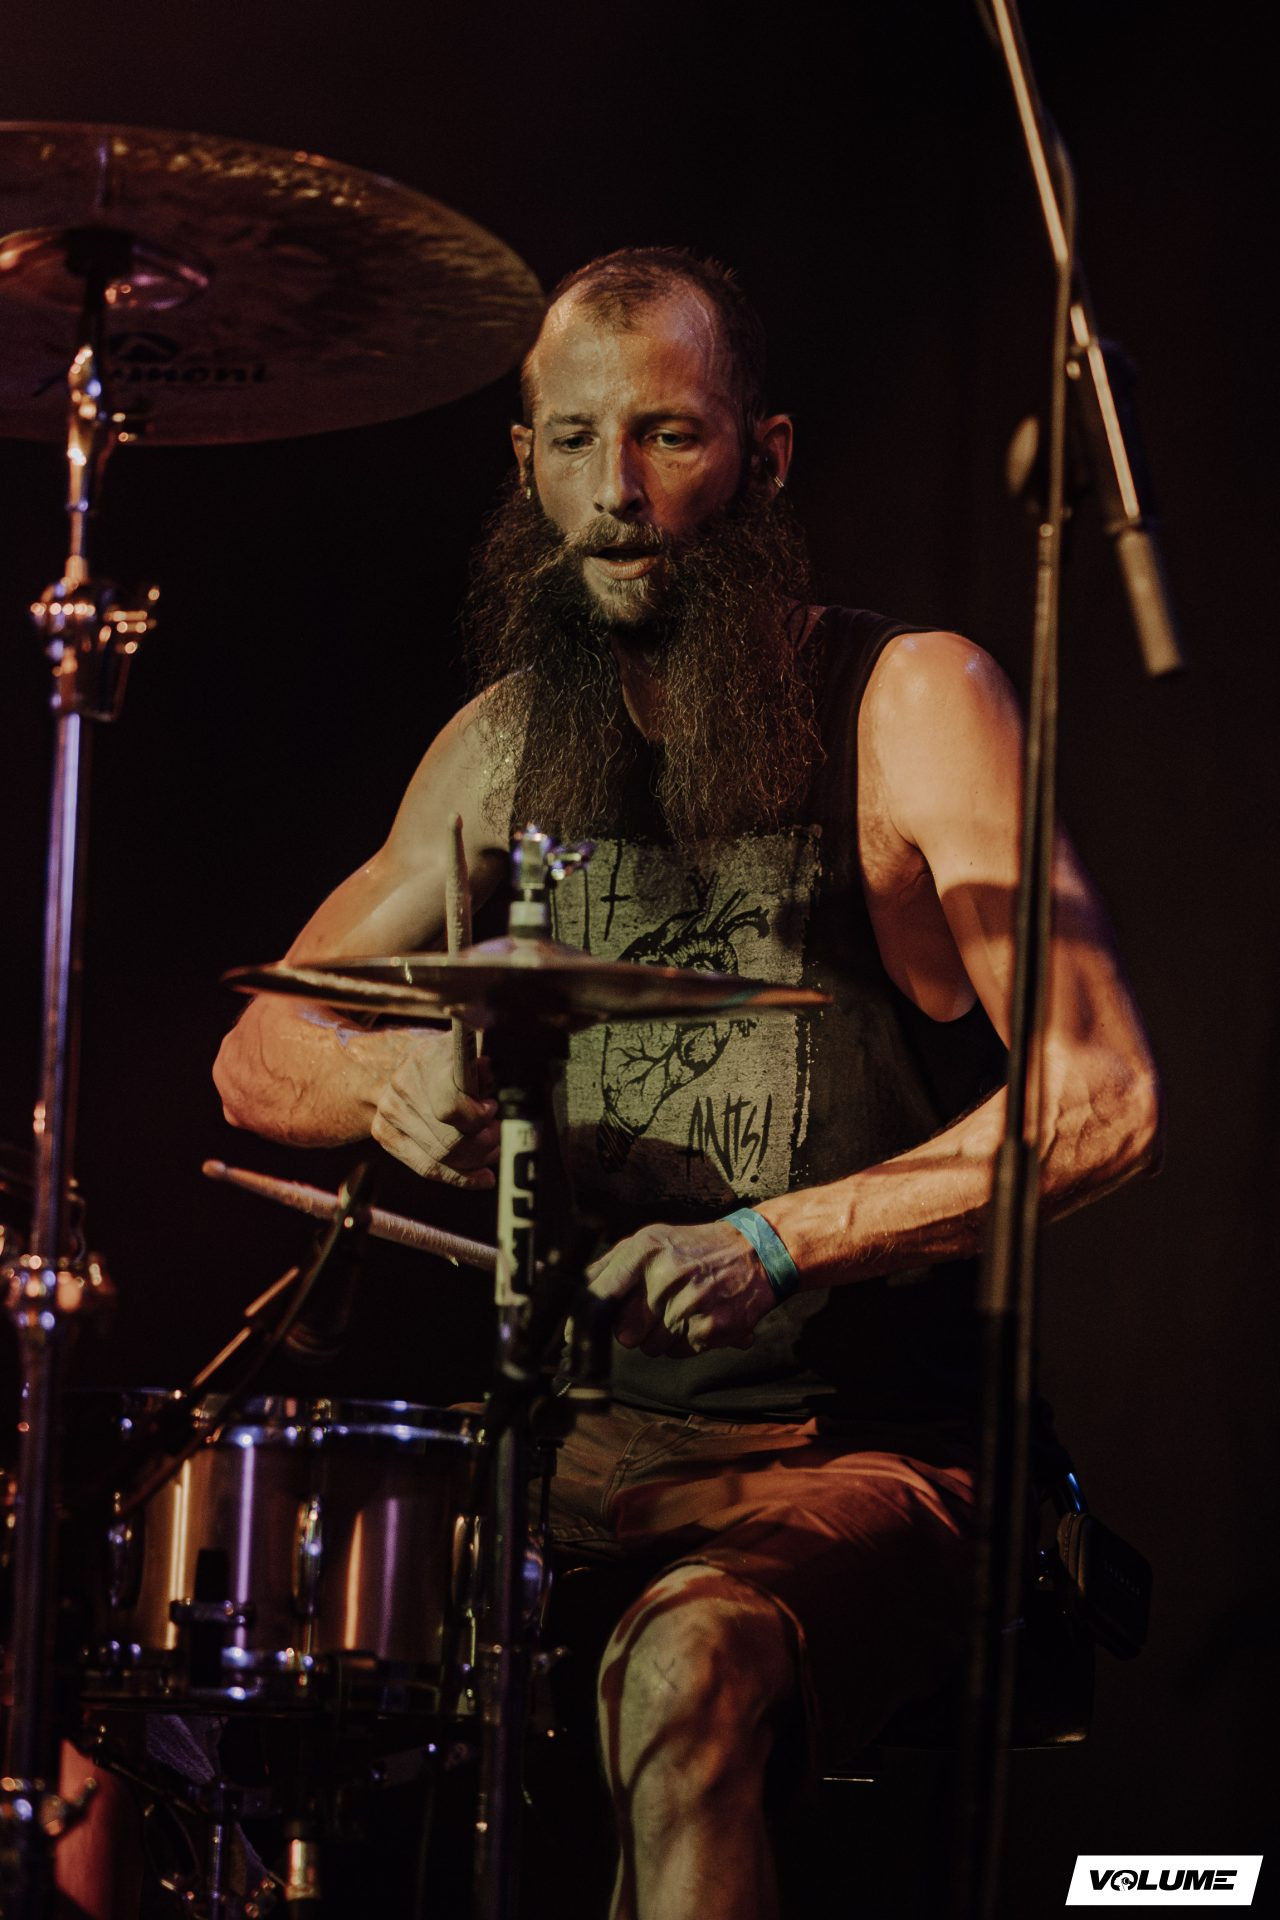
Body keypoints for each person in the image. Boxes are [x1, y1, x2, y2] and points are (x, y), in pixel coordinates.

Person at [213, 248, 1162, 1920]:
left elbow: (1103, 1096)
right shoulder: (503, 745)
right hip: (571, 1456)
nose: (618, 496)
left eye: (667, 435)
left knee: (684, 1675)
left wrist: (779, 1242)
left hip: (854, 1452)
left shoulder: (907, 701)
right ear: (525, 464)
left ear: (764, 454)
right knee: (232, 1659)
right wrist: (384, 1083)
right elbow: (256, 1048)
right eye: (576, 443)